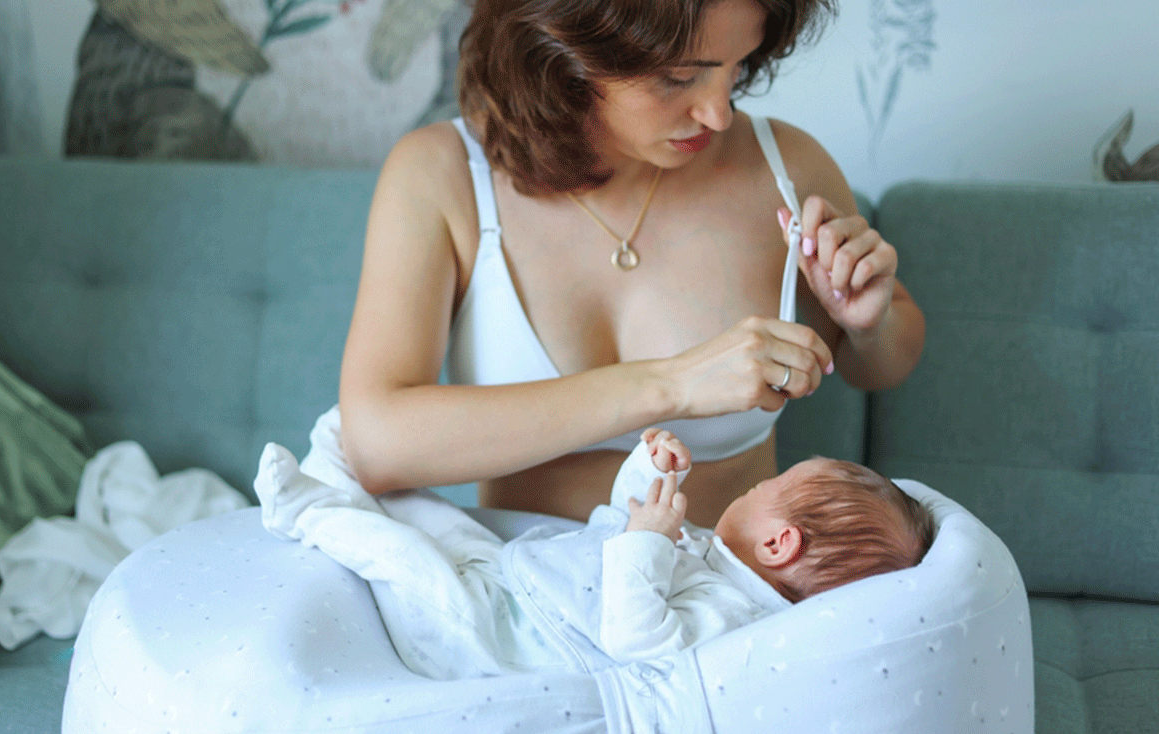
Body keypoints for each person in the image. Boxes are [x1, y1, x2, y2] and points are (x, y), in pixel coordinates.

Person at [334, 0, 926, 527]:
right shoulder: (441, 174)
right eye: (679, 78)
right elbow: (376, 444)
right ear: (565, 48)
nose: (719, 113)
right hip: (523, 604)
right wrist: (670, 385)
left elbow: (880, 365)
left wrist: (867, 324)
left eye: (736, 66)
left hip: (727, 603)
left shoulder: (786, 166)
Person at [253, 428, 936, 679]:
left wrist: (648, 540)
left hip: (499, 639)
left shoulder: (734, 618)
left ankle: (308, 511)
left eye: (768, 487)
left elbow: (638, 639)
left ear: (780, 543)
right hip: (516, 580)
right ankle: (348, 471)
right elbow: (613, 529)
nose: (755, 482)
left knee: (408, 561)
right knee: (446, 523)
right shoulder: (717, 554)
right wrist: (646, 471)